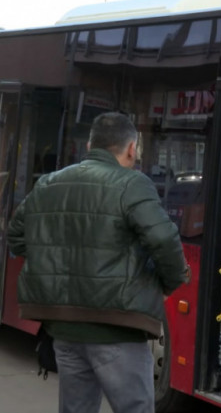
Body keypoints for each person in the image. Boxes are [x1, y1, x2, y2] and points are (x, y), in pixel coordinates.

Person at [7, 112, 189, 413]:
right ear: (131, 149)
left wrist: (53, 260)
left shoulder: (49, 184)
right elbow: (164, 241)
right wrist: (168, 284)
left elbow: (16, 235)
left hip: (65, 329)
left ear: (91, 145)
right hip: (118, 329)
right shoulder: (133, 184)